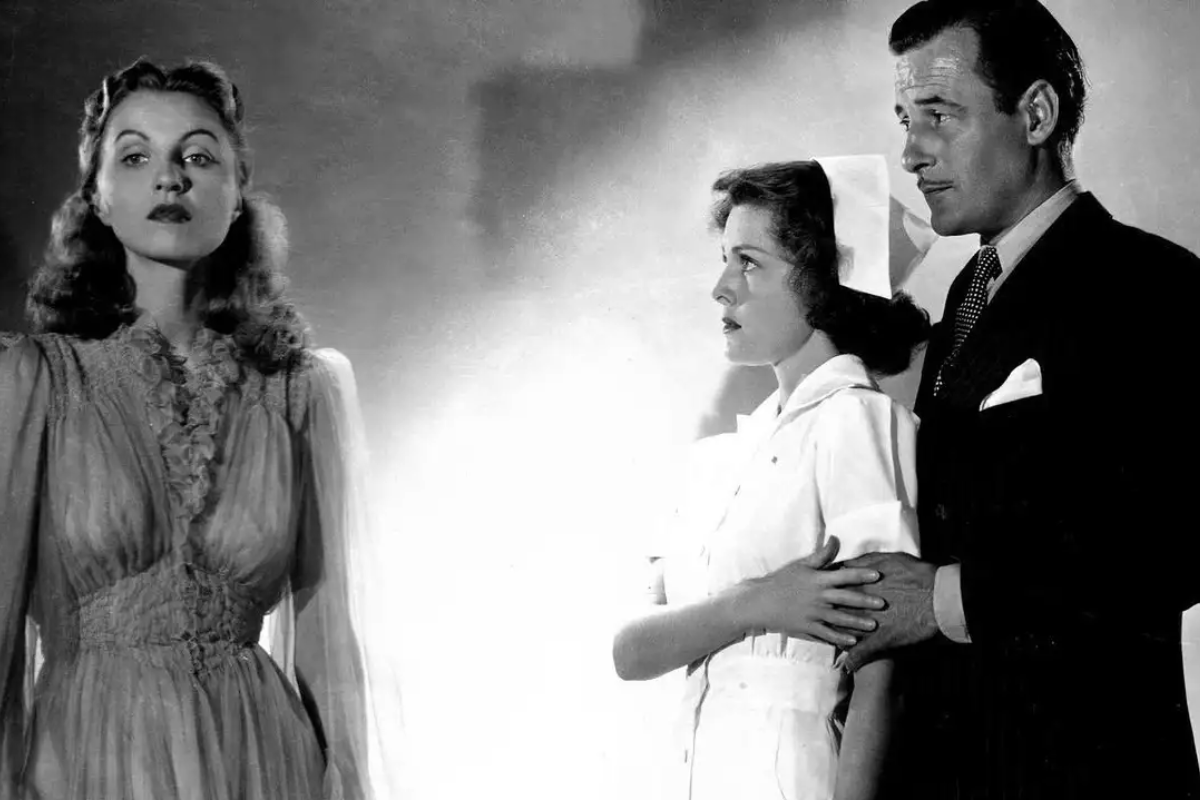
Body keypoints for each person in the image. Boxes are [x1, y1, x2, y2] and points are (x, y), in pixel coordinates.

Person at [755, 1, 1200, 796]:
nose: (910, 152)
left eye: (938, 115)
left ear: (1036, 114)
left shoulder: (1152, 284)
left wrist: (944, 598)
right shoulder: (967, 294)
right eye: (905, 119)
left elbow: (1178, 536)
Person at [0, 58, 394, 799]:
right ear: (97, 197)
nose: (170, 178)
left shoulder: (299, 389)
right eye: (135, 156)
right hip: (87, 763)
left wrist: (345, 782)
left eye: (198, 156)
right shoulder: (34, 381)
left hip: (263, 763)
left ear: (238, 192)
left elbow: (327, 636)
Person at [613, 157, 931, 800]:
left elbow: (884, 670)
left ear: (822, 280)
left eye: (749, 262)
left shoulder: (856, 420)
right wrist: (754, 602)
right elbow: (631, 651)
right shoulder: (720, 459)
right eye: (724, 260)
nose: (721, 288)